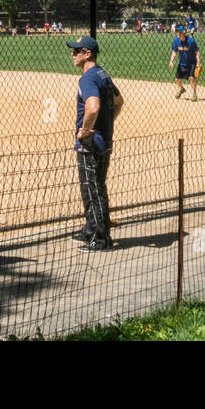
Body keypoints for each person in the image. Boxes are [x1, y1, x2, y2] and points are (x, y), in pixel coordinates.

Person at [67, 35, 122, 251]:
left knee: (92, 190)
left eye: (76, 51)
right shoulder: (103, 74)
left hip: (91, 143)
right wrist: (105, 124)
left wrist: (85, 131)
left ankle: (100, 240)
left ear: (87, 54)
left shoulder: (89, 77)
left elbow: (93, 107)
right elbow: (119, 101)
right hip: (104, 140)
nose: (72, 55)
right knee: (97, 187)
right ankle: (90, 230)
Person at [169, 26, 201, 101]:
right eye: (178, 32)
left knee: (192, 78)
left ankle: (194, 94)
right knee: (177, 80)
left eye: (180, 32)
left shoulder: (191, 40)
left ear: (184, 33)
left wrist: (198, 63)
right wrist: (171, 61)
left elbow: (197, 52)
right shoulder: (176, 40)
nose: (178, 33)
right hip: (182, 64)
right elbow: (174, 52)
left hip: (191, 63)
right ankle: (182, 89)